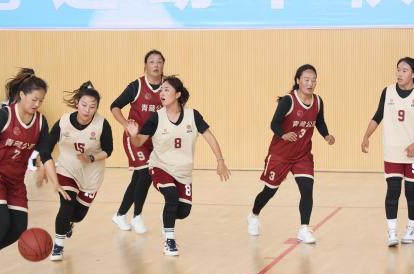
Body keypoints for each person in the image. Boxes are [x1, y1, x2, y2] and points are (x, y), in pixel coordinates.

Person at [0, 68, 67, 274]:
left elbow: (45, 154)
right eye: (34, 99)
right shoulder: (6, 115)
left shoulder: (40, 122)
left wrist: (56, 183)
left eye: (41, 101)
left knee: (18, 229)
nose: (37, 104)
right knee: (2, 222)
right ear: (22, 95)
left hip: (15, 180)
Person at [126, 75, 230, 256]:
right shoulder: (156, 117)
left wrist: (220, 160)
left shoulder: (192, 115)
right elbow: (139, 142)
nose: (162, 93)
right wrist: (134, 135)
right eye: (161, 90)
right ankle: (169, 241)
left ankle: (166, 216)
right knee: (171, 196)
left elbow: (209, 137)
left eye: (166, 89)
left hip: (183, 171)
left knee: (183, 211)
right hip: (160, 166)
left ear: (178, 94)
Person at [247, 65, 335, 243]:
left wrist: (326, 135)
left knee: (307, 190)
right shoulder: (288, 101)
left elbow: (319, 122)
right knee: (269, 191)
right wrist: (283, 134)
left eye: (313, 80)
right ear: (298, 81)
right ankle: (253, 215)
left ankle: (304, 229)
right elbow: (274, 124)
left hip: (302, 155)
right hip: (280, 155)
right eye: (306, 80)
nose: (310, 83)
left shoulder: (318, 101)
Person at [361, 57, 414, 247]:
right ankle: (392, 231)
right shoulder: (388, 92)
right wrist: (366, 136)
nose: (399, 74)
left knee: (411, 192)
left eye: (404, 70)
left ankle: (412, 228)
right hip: (392, 152)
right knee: (393, 191)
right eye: (398, 70)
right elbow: (378, 116)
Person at [44, 81, 113, 261]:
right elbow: (47, 147)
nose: (87, 110)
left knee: (78, 215)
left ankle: (69, 224)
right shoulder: (64, 121)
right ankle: (58, 246)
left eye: (92, 106)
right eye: (84, 105)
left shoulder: (102, 124)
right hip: (67, 168)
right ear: (77, 103)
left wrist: (91, 158)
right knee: (66, 205)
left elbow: (108, 150)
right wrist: (43, 168)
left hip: (92, 173)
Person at [109, 50, 165, 234]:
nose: (155, 65)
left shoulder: (167, 86)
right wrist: (126, 124)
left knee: (138, 179)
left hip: (154, 140)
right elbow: (115, 106)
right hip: (134, 138)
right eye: (152, 61)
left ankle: (120, 215)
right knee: (145, 173)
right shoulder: (137, 86)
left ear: (163, 65)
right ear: (146, 66)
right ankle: (137, 215)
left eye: (159, 61)